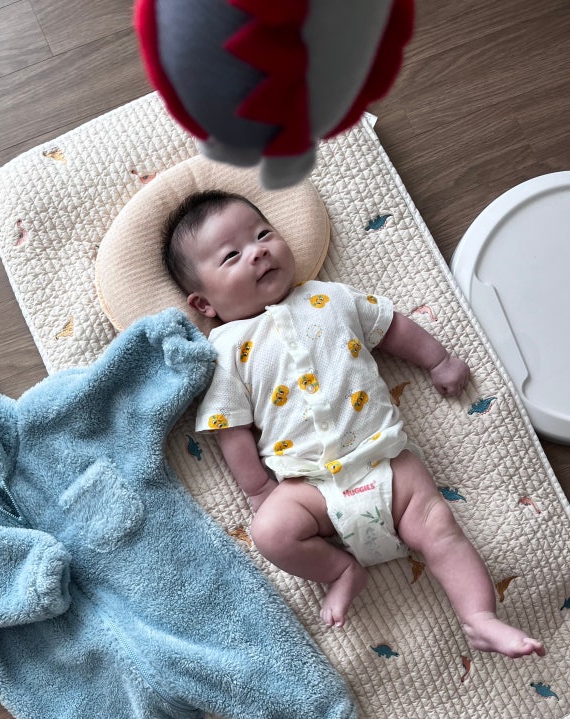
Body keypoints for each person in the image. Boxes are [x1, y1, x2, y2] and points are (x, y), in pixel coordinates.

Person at [161, 190, 544, 658]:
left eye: (263, 235)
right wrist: (259, 491)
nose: (258, 252)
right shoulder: (225, 349)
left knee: (439, 528)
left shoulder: (329, 297)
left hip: (386, 463)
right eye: (232, 256)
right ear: (204, 304)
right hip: (308, 486)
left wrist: (438, 359)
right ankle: (340, 570)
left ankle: (480, 617)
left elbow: (392, 327)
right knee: (270, 533)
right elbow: (230, 428)